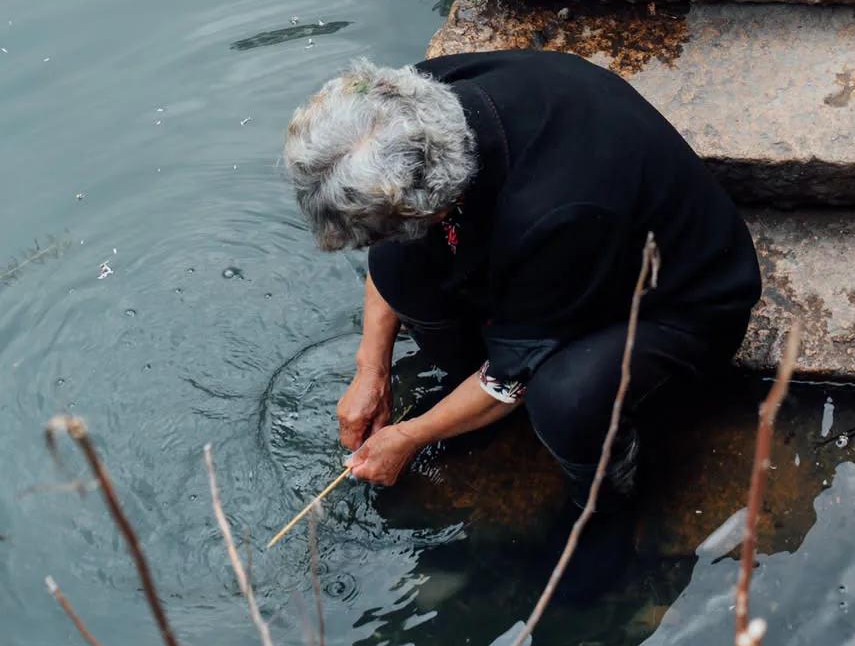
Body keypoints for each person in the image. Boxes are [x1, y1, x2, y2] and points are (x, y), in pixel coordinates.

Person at [283, 51, 762, 522]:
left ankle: (608, 504)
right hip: (571, 258)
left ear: (437, 206)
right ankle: (471, 395)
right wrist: (373, 370)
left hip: (679, 301)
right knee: (397, 264)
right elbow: (392, 242)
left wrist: (413, 435)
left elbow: (514, 375)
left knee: (565, 400)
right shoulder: (405, 106)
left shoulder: (555, 214)